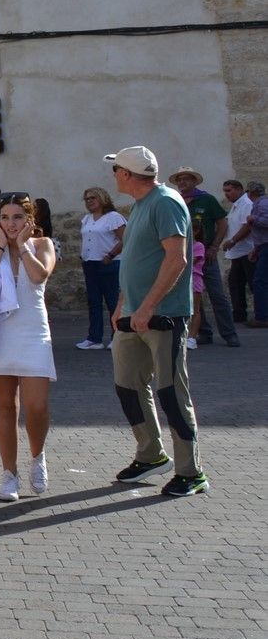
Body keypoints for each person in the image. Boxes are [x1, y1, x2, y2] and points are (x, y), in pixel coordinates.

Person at [104, 146, 207, 497]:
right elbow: (135, 262)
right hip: (134, 315)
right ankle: (150, 454)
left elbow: (176, 259)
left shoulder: (165, 202)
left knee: (171, 392)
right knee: (128, 386)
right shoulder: (140, 206)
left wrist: (147, 307)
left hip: (164, 316)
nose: (113, 174)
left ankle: (191, 472)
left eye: (116, 168)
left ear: (127, 175)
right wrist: (123, 305)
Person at [0, 194, 57, 501]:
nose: (11, 223)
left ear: (30, 220)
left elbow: (38, 275)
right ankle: (9, 473)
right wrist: (3, 245)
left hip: (33, 333)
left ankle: (38, 456)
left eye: (17, 217)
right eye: (5, 217)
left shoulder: (42, 245)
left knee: (37, 406)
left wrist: (21, 246)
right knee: (5, 406)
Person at [169, 168, 238, 347]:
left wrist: (215, 246)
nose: (182, 182)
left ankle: (229, 334)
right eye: (179, 180)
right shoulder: (175, 201)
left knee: (217, 296)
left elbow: (222, 222)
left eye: (186, 179)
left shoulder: (207, 200)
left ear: (194, 182)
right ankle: (204, 332)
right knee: (193, 297)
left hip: (205, 254)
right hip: (183, 256)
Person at [78, 187, 126, 350]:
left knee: (112, 301)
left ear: (102, 198)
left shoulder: (113, 217)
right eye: (87, 199)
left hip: (109, 264)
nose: (90, 201)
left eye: (93, 198)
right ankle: (94, 338)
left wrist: (111, 255)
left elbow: (125, 239)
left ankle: (117, 336)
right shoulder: (87, 219)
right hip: (90, 264)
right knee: (94, 302)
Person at [218, 179, 256, 329]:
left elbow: (248, 226)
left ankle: (261, 314)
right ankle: (239, 314)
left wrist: (233, 241)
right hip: (237, 252)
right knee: (235, 283)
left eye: (229, 190)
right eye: (225, 191)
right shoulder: (236, 205)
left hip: (246, 250)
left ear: (239, 189)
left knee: (253, 283)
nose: (226, 194)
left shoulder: (246, 204)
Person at [247, 182, 268, 326]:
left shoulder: (262, 203)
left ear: (250, 193)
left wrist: (253, 219)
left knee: (260, 281)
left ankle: (262, 317)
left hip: (266, 246)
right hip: (263, 246)